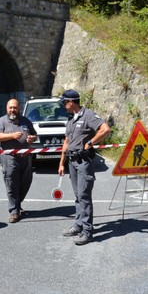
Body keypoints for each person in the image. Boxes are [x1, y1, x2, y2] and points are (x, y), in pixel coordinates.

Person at [58, 89, 110, 245]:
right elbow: (66, 142)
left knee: (84, 196)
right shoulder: (70, 119)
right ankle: (78, 225)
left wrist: (90, 143)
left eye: (64, 102)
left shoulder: (88, 115)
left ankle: (87, 231)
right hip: (72, 162)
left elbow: (105, 129)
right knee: (78, 196)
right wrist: (62, 162)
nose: (63, 105)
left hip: (84, 162)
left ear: (71, 102)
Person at [0, 98, 37, 223]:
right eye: (10, 107)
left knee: (25, 183)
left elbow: (34, 135)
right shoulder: (1, 121)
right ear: (7, 109)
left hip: (25, 158)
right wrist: (12, 136)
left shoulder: (25, 121)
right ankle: (13, 211)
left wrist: (32, 138)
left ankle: (17, 205)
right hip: (9, 158)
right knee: (12, 184)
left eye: (15, 108)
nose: (12, 110)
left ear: (19, 108)